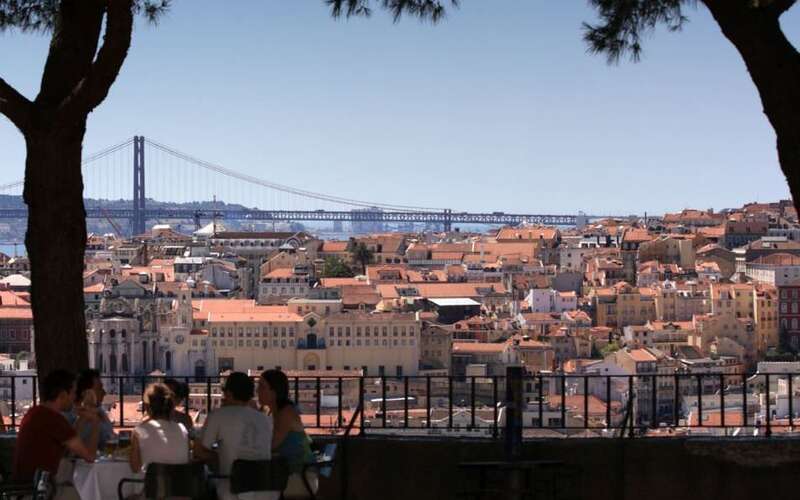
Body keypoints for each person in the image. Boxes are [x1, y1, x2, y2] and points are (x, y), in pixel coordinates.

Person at [196, 372, 276, 500]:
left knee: (202, 484)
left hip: (233, 491)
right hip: (266, 490)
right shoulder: (264, 419)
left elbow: (199, 451)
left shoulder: (218, 415)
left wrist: (217, 455)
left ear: (228, 393)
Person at [12, 370, 99, 482]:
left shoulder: (36, 413)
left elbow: (69, 445)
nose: (75, 397)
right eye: (73, 392)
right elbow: (90, 457)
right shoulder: (54, 419)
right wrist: (96, 423)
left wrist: (82, 419)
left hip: (25, 487)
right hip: (39, 491)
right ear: (62, 395)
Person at [258, 370, 315, 499]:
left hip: (300, 476)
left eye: (262, 387)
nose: (257, 391)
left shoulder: (286, 413)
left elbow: (271, 445)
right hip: (283, 472)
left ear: (274, 392)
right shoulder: (269, 412)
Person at [129, 383, 190, 473]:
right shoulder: (183, 429)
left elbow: (134, 468)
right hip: (179, 486)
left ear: (147, 407)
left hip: (150, 486)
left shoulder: (139, 431)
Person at [65, 369, 114, 450]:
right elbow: (108, 440)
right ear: (86, 393)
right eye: (99, 388)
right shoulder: (74, 418)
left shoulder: (98, 411)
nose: (104, 392)